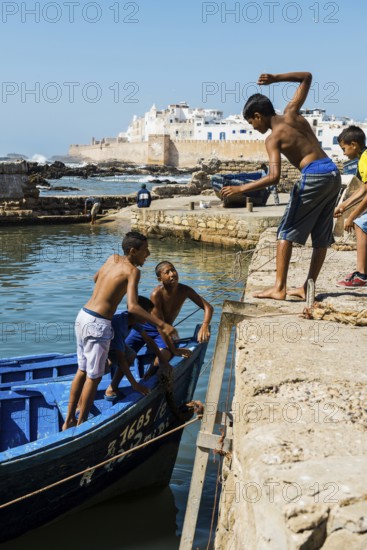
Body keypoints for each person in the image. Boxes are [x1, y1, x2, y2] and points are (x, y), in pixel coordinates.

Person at [221, 71, 341, 300]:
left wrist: (240, 189)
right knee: (321, 236)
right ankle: (307, 288)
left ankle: (279, 288)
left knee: (284, 232)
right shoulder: (292, 113)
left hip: (314, 175)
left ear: (258, 115)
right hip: (332, 173)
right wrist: (276, 78)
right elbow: (307, 77)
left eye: (251, 122)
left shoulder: (273, 138)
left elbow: (274, 177)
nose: (253, 127)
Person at [62, 231, 177, 430]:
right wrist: (161, 324)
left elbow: (95, 277)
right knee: (94, 376)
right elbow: (132, 306)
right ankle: (80, 426)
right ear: (133, 251)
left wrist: (110, 288)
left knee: (81, 370)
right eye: (145, 251)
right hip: (98, 323)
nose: (147, 254)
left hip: (83, 316)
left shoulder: (112, 258)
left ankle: (68, 420)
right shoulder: (133, 271)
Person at [126, 261, 214, 363]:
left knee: (164, 356)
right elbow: (159, 325)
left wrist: (205, 325)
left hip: (165, 329)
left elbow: (208, 307)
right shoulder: (156, 294)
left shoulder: (185, 290)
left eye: (173, 270)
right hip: (147, 326)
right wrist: (174, 350)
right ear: (160, 279)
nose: (172, 274)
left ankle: (154, 375)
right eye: (167, 272)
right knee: (122, 353)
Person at [334, 125, 367, 287]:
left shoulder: (365, 159)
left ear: (354, 145)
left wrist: (352, 217)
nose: (343, 153)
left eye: (344, 149)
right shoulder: (363, 158)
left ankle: (362, 275)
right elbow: (363, 189)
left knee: (360, 224)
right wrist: (344, 206)